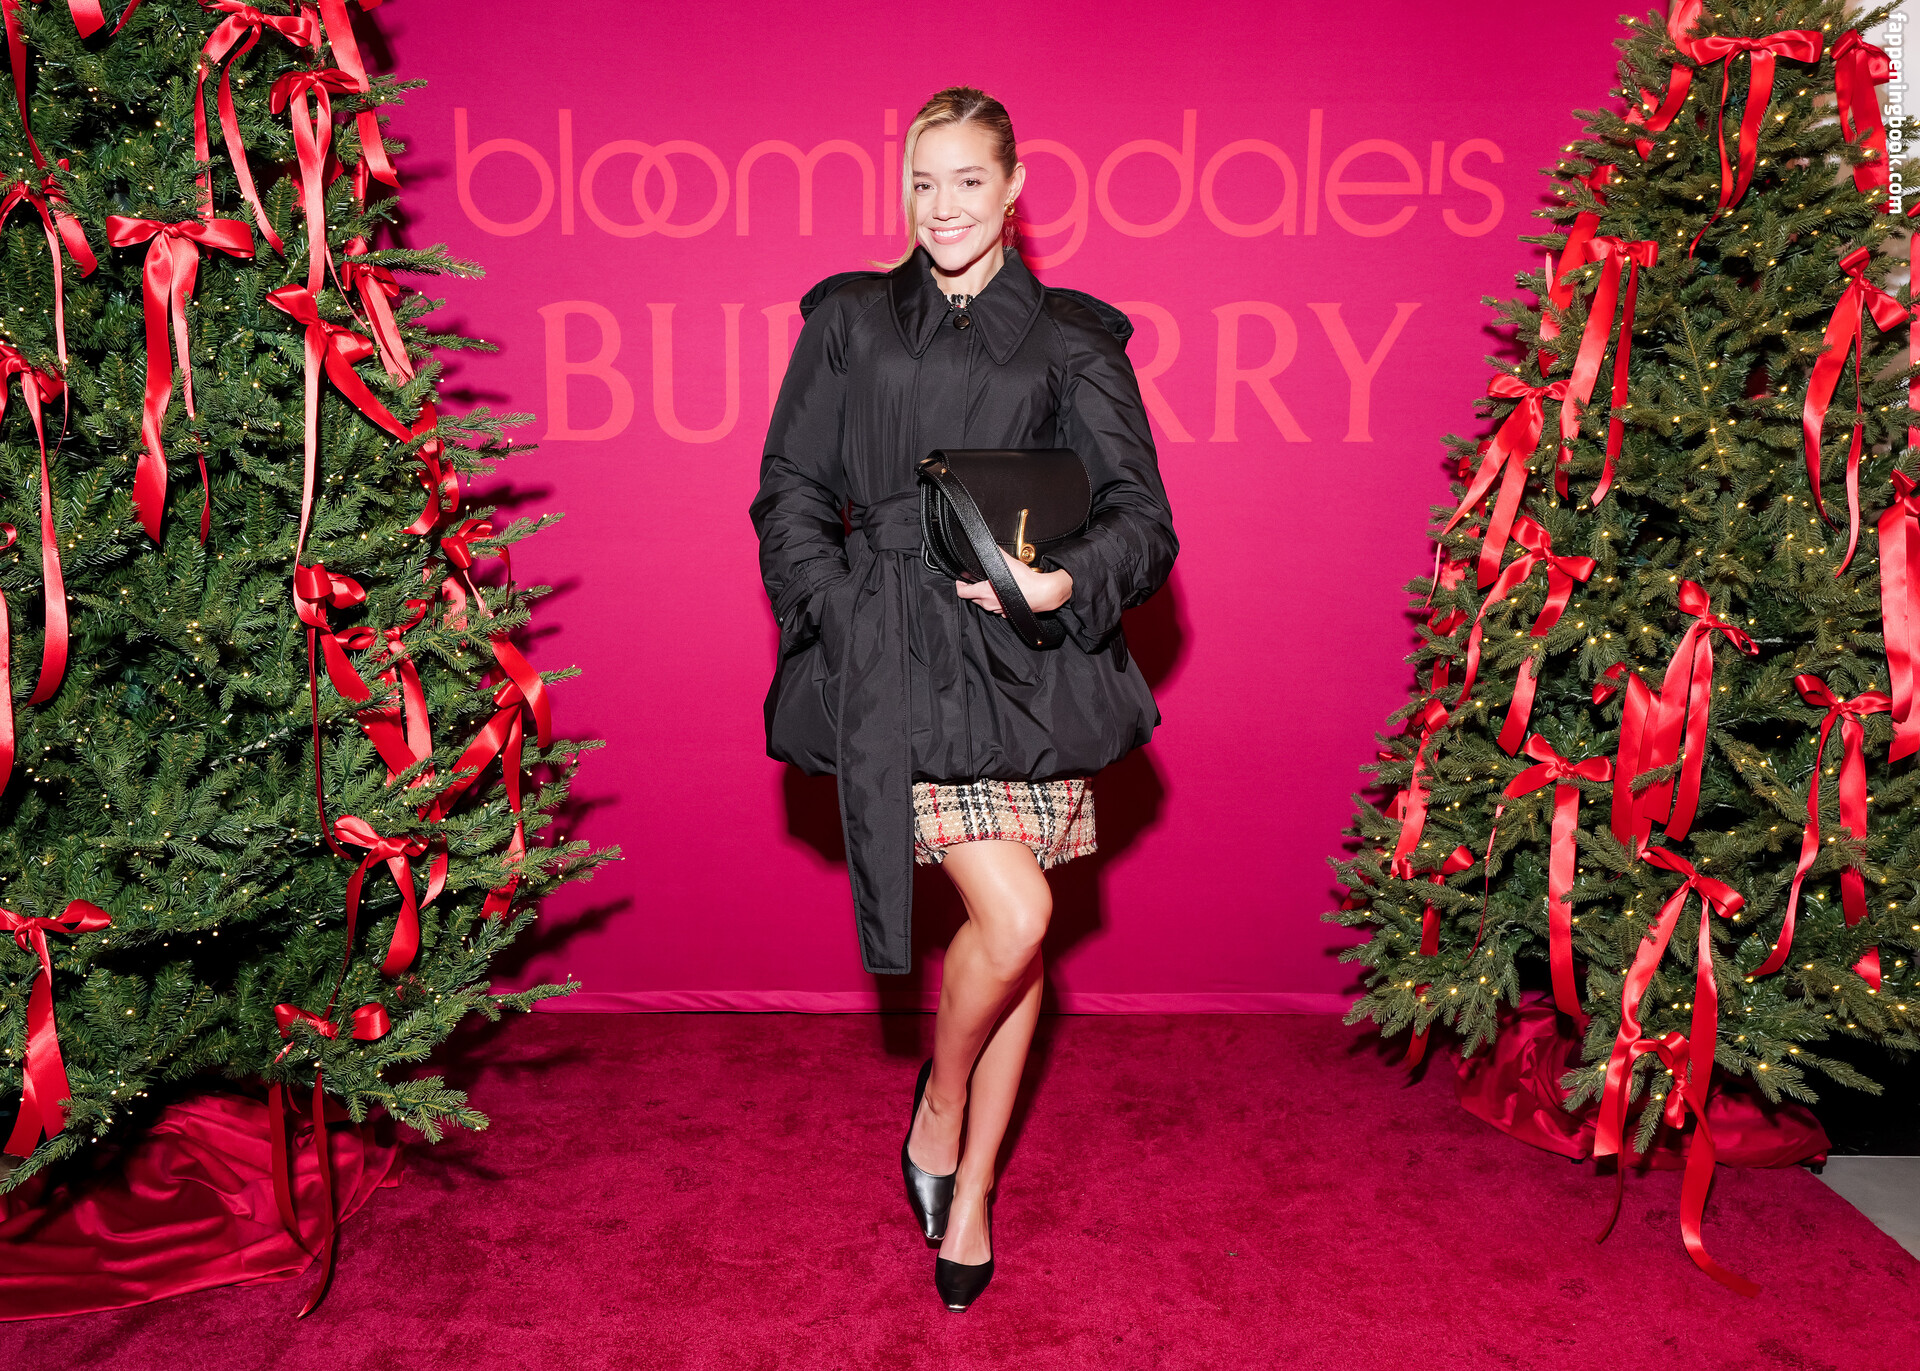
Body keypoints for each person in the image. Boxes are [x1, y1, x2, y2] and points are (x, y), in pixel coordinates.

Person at [749, 86, 1177, 1311]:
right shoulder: (849, 321)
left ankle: (970, 1178)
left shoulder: (1072, 338)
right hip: (892, 655)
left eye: (969, 181)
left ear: (1015, 188)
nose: (943, 207)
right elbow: (789, 489)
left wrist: (1062, 582)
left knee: (1018, 939)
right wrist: (837, 609)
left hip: (1026, 666)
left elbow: (1143, 521)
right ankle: (940, 1109)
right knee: (1022, 915)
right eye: (923, 182)